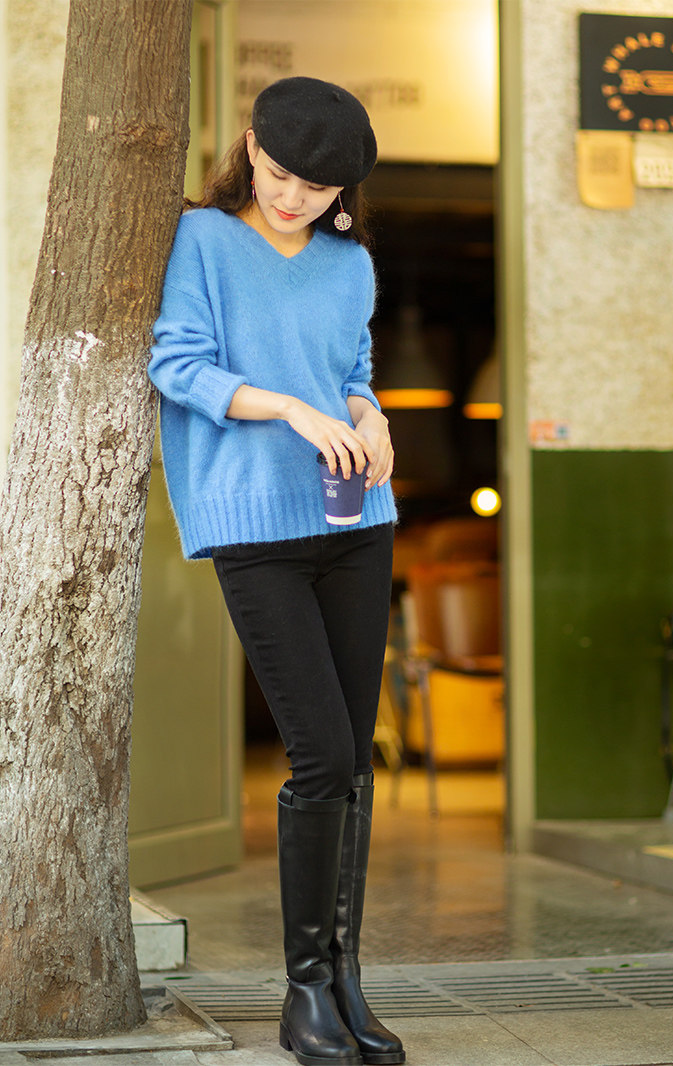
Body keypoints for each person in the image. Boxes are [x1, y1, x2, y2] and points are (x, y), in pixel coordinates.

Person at [148, 77, 404, 1066]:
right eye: (281, 172)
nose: (293, 197)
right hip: (255, 523)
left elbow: (350, 372)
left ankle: (345, 979)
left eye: (316, 186)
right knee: (322, 753)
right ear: (252, 147)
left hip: (356, 517)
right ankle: (303, 992)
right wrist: (292, 409)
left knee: (354, 763)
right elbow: (178, 364)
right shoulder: (202, 240)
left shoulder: (349, 262)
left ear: (344, 190)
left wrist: (371, 417)